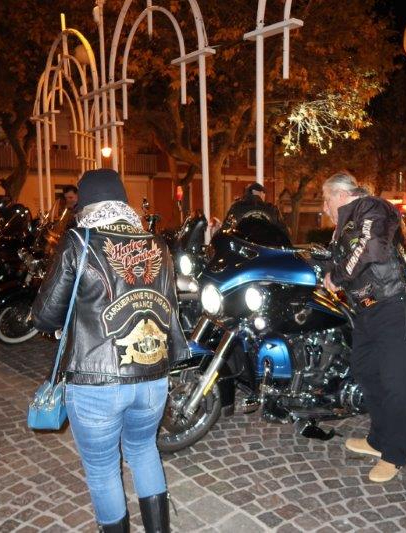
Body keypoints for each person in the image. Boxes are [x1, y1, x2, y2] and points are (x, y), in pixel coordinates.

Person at [32, 168, 185, 532]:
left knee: (102, 470)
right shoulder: (157, 243)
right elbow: (170, 307)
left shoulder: (78, 240)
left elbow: (44, 315)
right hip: (152, 375)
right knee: (144, 451)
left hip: (95, 380)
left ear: (84, 205)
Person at [321, 172, 406, 483]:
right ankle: (378, 439)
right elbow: (338, 258)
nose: (324, 207)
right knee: (364, 369)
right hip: (368, 307)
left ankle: (395, 454)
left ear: (340, 195)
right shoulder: (346, 223)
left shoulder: (372, 208)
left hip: (395, 301)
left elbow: (370, 247)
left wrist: (337, 276)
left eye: (325, 199)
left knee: (396, 381)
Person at [223, 182, 288, 233]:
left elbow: (226, 227)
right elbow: (283, 231)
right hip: (265, 244)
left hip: (242, 244)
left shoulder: (237, 206)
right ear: (262, 193)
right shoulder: (272, 208)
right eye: (264, 193)